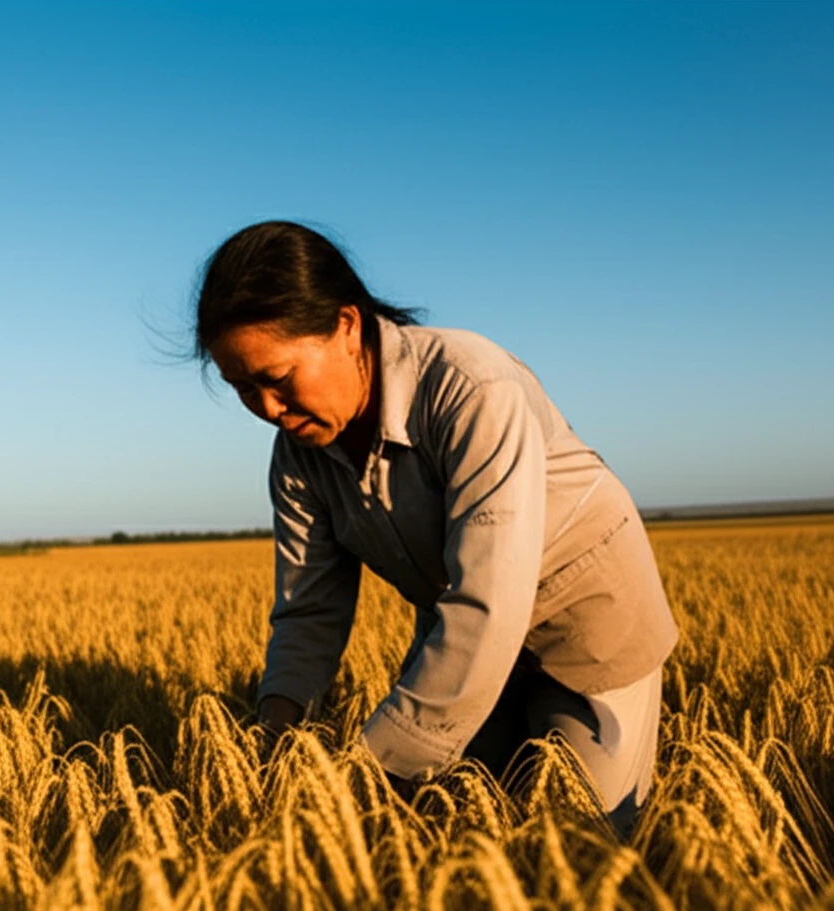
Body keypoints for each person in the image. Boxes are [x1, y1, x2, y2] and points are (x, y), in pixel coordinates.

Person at [194, 220, 678, 838]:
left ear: (345, 326)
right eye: (242, 389)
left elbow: (490, 603)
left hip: (586, 625)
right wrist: (272, 746)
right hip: (462, 635)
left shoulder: (471, 387)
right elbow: (308, 610)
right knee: (442, 834)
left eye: (278, 379)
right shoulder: (297, 456)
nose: (267, 409)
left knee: (577, 842)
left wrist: (368, 773)